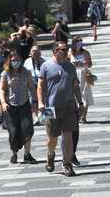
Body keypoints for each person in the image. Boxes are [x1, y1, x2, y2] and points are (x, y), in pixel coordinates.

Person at [37, 41, 83, 177]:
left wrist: (80, 103)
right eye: (62, 49)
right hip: (49, 107)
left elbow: (75, 86)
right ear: (55, 51)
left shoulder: (70, 66)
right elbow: (40, 86)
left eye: (66, 49)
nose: (65, 51)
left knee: (68, 134)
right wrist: (40, 103)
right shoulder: (45, 66)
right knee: (52, 138)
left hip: (69, 105)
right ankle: (50, 155)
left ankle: (67, 163)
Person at [0, 49, 37, 164]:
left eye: (17, 60)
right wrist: (3, 103)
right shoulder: (5, 73)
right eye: (13, 60)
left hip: (24, 104)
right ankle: (14, 153)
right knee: (14, 131)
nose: (15, 62)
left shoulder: (26, 72)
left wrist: (35, 101)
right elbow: (2, 89)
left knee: (27, 129)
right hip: (11, 106)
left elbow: (31, 87)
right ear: (9, 61)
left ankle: (27, 154)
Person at [69, 37, 94, 124]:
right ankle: (78, 115)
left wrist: (84, 63)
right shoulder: (70, 53)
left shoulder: (85, 53)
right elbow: (67, 63)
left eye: (81, 42)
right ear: (74, 44)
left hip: (84, 74)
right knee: (75, 96)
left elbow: (90, 64)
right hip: (74, 75)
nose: (80, 44)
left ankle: (84, 116)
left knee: (85, 95)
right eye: (78, 42)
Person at [24, 45, 44, 124]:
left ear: (40, 52)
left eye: (36, 51)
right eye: (33, 51)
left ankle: (42, 116)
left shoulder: (44, 61)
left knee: (41, 99)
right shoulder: (27, 62)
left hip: (42, 84)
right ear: (30, 53)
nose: (35, 53)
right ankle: (35, 116)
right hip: (31, 83)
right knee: (33, 100)